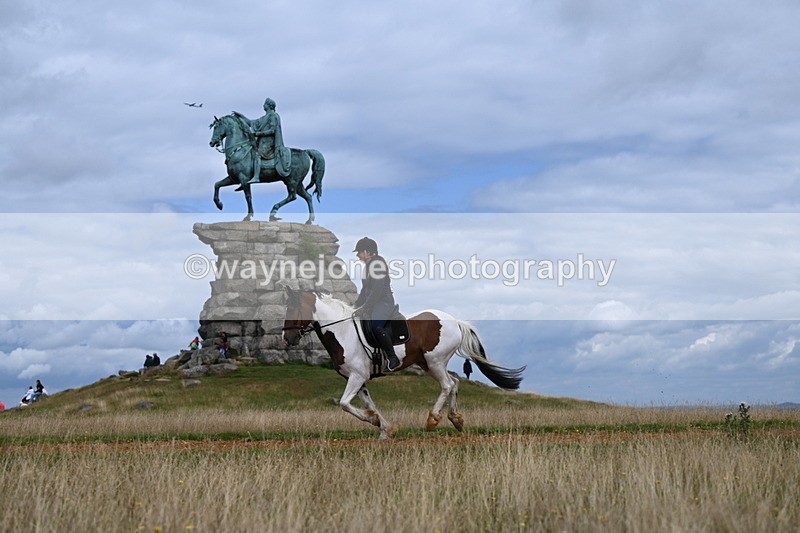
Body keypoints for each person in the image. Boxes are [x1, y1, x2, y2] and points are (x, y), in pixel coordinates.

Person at [353, 237, 400, 372]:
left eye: (360, 252)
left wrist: (365, 307)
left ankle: (392, 358)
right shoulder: (367, 267)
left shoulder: (378, 264)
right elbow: (364, 290)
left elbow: (377, 291)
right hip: (374, 302)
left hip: (383, 302)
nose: (358, 255)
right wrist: (355, 306)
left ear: (368, 252)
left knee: (375, 325)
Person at [233, 97, 291, 185]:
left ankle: (256, 176)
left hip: (269, 143)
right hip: (262, 142)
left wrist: (258, 134)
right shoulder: (264, 117)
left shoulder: (273, 116)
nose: (263, 105)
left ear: (269, 106)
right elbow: (251, 123)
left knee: (256, 154)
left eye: (265, 104)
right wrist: (241, 116)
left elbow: (272, 130)